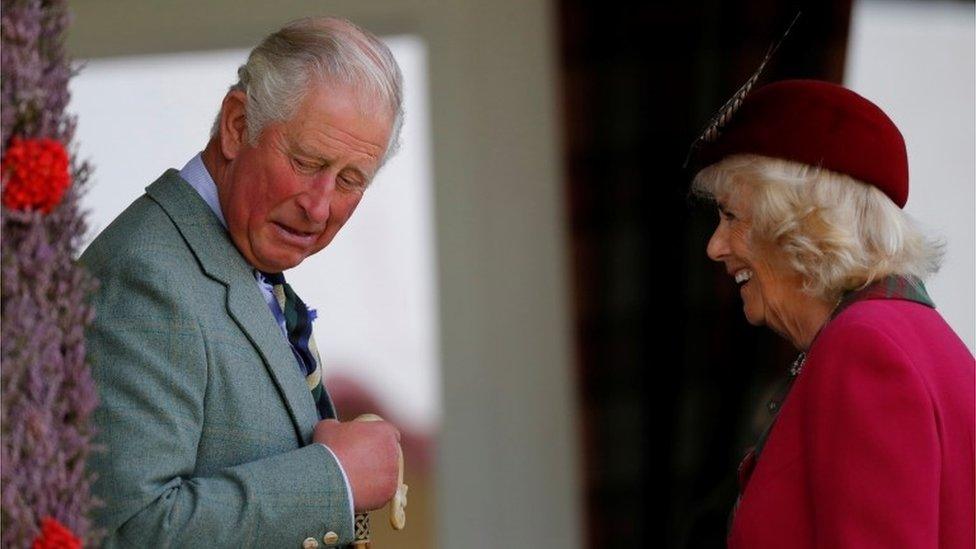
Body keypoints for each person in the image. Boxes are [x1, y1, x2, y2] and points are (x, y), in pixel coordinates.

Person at [81, 17, 404, 547]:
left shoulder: (228, 257)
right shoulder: (145, 274)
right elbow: (131, 531)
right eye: (306, 162)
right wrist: (336, 480)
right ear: (236, 125)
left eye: (349, 180)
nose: (319, 206)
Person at [691, 80, 974, 548]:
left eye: (732, 217)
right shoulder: (907, 332)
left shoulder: (867, 346)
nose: (715, 247)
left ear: (801, 221)